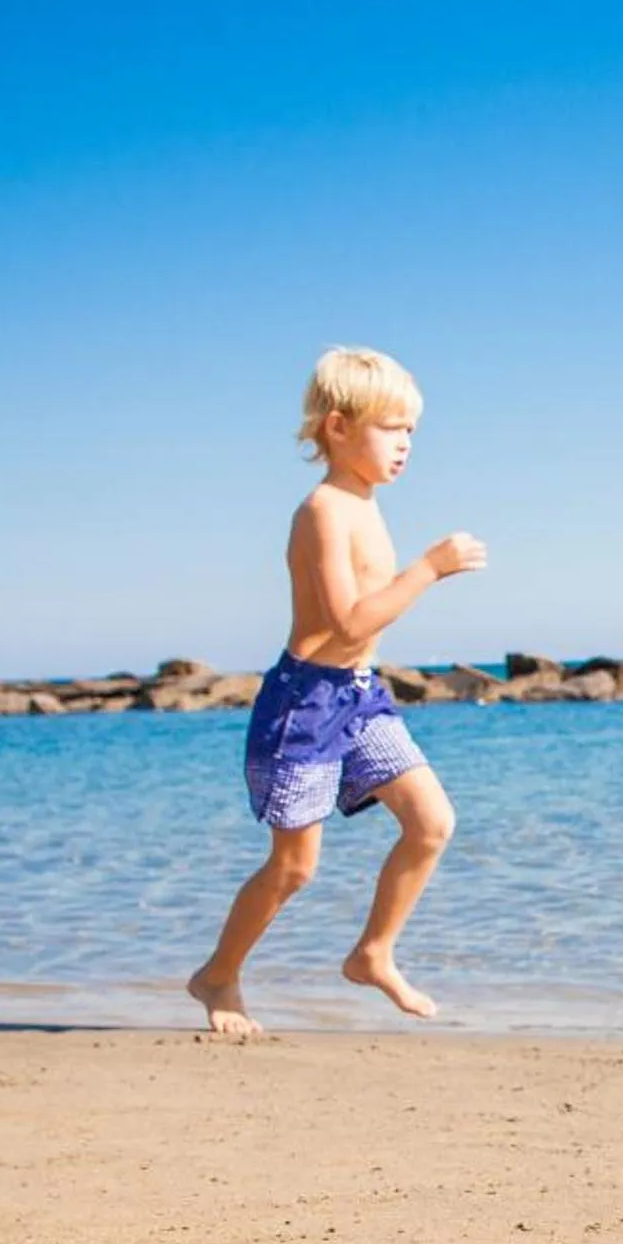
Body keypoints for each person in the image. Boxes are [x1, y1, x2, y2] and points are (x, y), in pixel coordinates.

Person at [186, 347, 485, 1037]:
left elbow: (358, 634)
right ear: (336, 428)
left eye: (411, 430)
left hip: (359, 695)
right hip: (304, 703)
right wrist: (430, 570)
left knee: (432, 823)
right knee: (294, 868)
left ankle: (373, 952)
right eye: (390, 428)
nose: (405, 444)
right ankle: (218, 974)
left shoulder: (365, 505)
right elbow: (350, 619)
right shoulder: (322, 510)